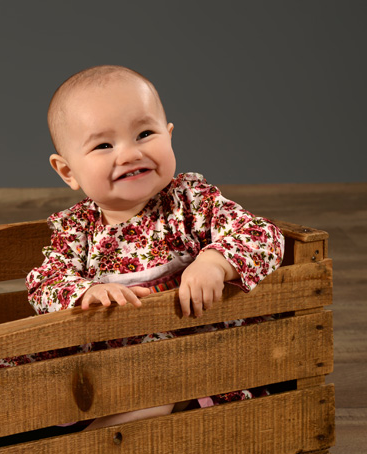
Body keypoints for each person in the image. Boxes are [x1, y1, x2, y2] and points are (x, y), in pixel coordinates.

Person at [21, 65, 285, 429]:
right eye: (103, 145)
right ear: (68, 172)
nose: (129, 154)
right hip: (102, 366)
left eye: (145, 133)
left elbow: (262, 234)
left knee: (155, 387)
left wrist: (214, 262)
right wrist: (87, 291)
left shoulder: (190, 202)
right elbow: (44, 282)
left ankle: (89, 447)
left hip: (184, 357)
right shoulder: (76, 228)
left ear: (169, 136)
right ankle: (27, 428)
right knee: (21, 371)